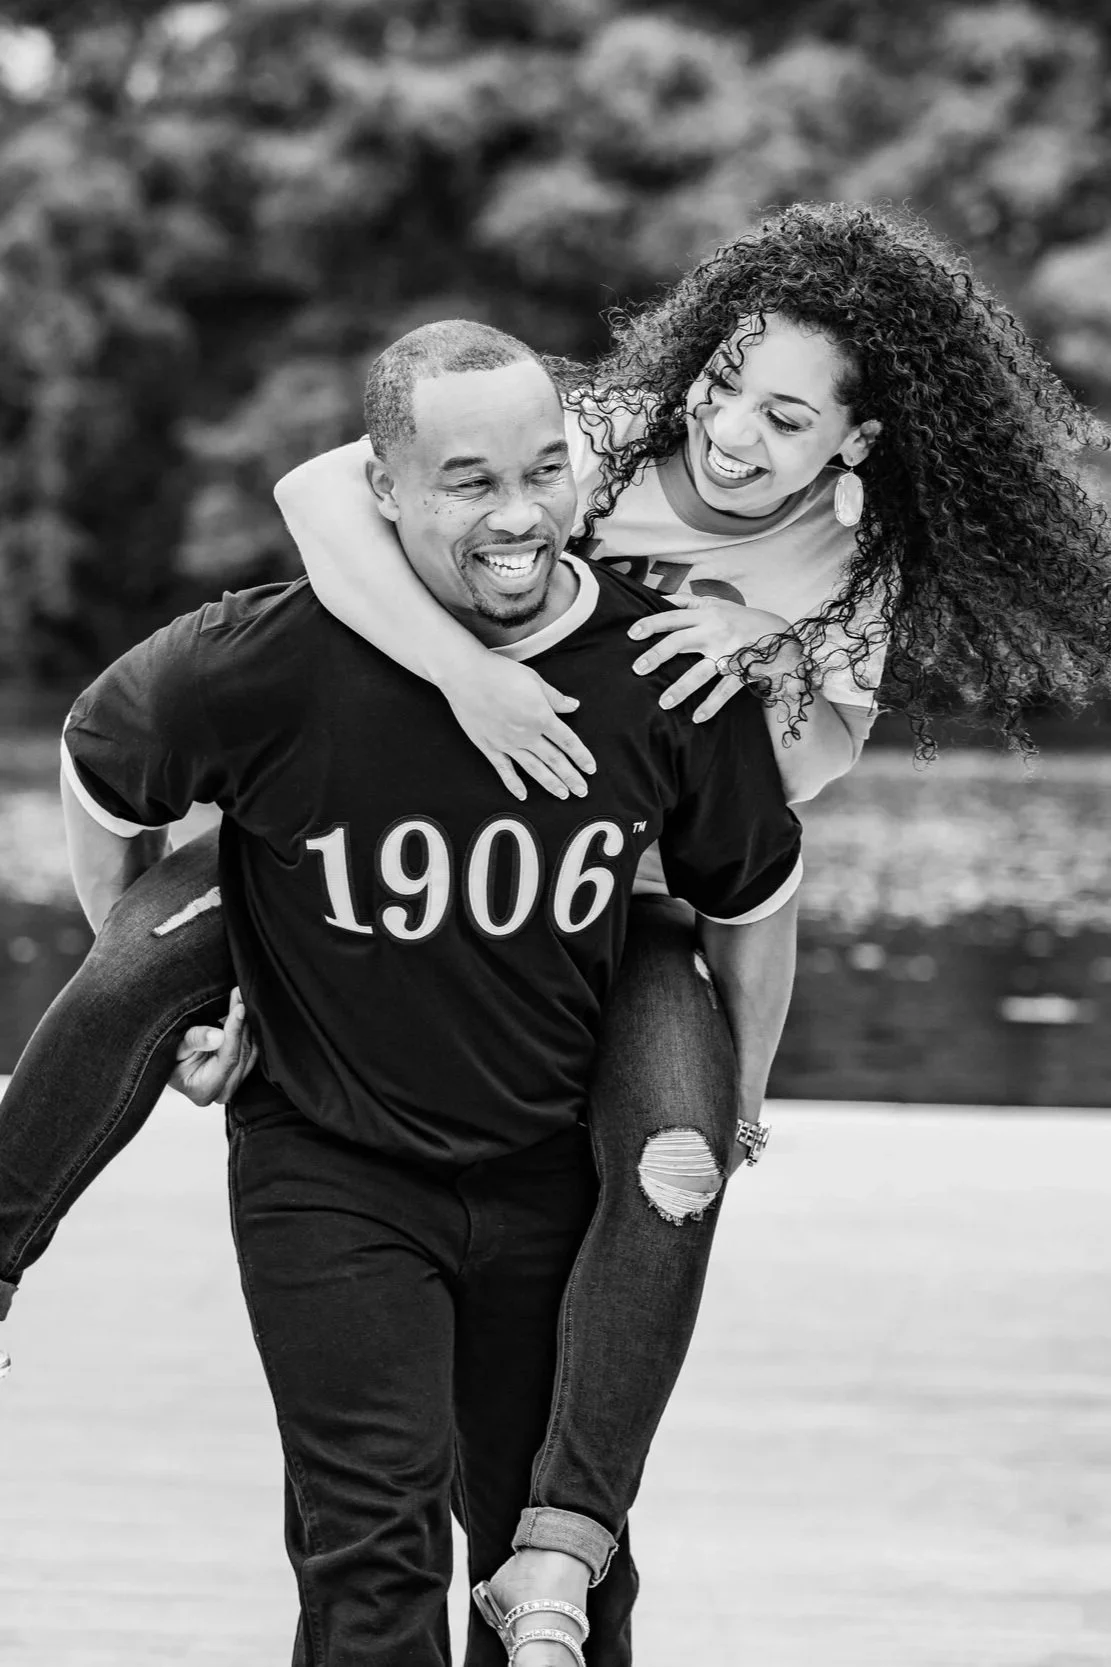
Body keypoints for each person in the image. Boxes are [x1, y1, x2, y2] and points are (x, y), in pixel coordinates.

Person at [2, 199, 1108, 1645]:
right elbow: (327, 496)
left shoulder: (844, 579)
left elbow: (770, 838)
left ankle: (562, 1542)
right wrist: (468, 677)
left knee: (680, 1152)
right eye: (728, 387)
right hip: (391, 889)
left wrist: (743, 668)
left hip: (628, 897)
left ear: (855, 443)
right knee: (139, 963)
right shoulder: (600, 438)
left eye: (786, 419)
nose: (733, 432)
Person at [54, 319, 801, 1665]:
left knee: (564, 1583)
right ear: (383, 490)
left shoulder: (668, 667)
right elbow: (102, 772)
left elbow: (751, 894)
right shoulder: (266, 658)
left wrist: (733, 1096)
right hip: (328, 1164)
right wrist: (176, 982)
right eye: (469, 481)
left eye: (544, 470)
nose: (520, 513)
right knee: (371, 1561)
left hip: (553, 1156)